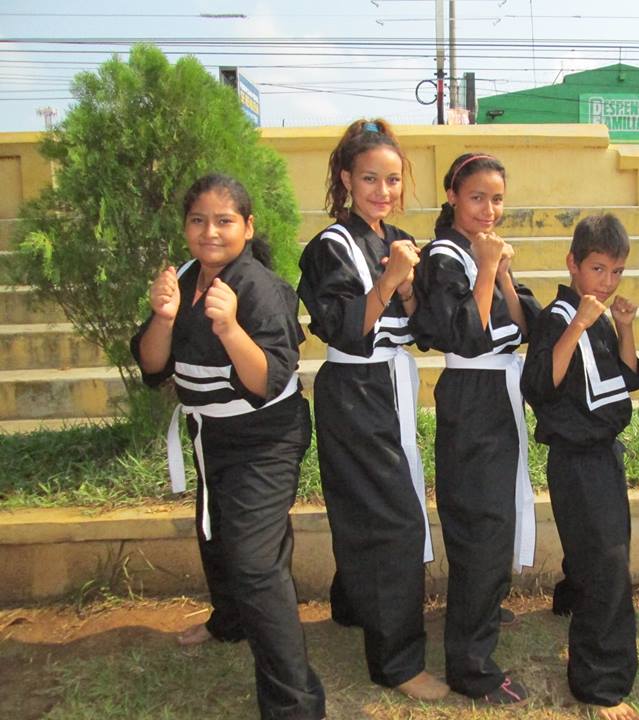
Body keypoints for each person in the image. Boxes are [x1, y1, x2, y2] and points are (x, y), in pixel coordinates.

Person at [131, 174, 326, 719]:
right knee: (215, 533)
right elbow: (151, 365)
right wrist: (165, 317)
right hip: (211, 433)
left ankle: (296, 705)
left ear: (247, 227)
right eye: (198, 220)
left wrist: (231, 328)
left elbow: (266, 381)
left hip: (265, 438)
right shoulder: (184, 277)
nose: (210, 231)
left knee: (256, 564)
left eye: (224, 221)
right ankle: (229, 622)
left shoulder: (261, 288)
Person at [296, 118, 448, 702]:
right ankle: (396, 662)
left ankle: (354, 608)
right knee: (392, 522)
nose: (383, 191)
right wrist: (388, 282)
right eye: (369, 179)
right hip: (356, 386)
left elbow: (428, 332)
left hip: (389, 384)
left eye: (391, 180)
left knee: (368, 509)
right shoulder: (330, 248)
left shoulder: (398, 238)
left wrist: (407, 286)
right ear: (345, 179)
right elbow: (343, 329)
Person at [410, 153, 541, 705]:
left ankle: (481, 610)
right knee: (480, 523)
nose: (489, 209)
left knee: (495, 515)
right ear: (451, 196)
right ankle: (470, 666)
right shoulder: (444, 256)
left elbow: (527, 324)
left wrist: (501, 270)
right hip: (471, 393)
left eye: (497, 199)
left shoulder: (484, 251)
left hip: (497, 394)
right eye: (477, 198)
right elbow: (465, 334)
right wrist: (487, 268)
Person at [521, 214, 639, 720]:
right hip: (574, 457)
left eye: (616, 271)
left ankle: (568, 601)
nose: (608, 281)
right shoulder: (558, 317)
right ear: (573, 264)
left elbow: (628, 376)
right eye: (598, 268)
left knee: (600, 550)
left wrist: (624, 328)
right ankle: (599, 684)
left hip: (603, 453)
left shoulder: (599, 314)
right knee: (607, 562)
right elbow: (540, 385)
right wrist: (576, 326)